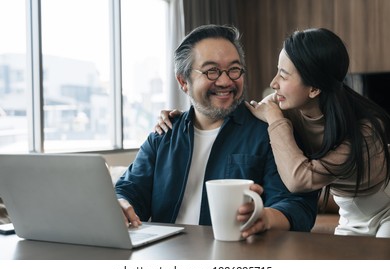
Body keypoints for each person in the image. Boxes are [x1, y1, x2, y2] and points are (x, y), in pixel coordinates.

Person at [157, 28, 390, 238]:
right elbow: (234, 110)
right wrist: (187, 117)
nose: (273, 82)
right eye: (278, 71)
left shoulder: (366, 131)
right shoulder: (283, 105)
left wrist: (276, 119)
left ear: (315, 89)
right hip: (350, 213)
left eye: (284, 75)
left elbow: (300, 180)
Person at [115, 24, 318, 239]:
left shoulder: (268, 133)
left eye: (234, 69)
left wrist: (266, 216)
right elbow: (129, 190)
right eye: (211, 71)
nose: (225, 81)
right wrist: (120, 204)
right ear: (183, 82)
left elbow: (298, 206)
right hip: (164, 254)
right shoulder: (163, 135)